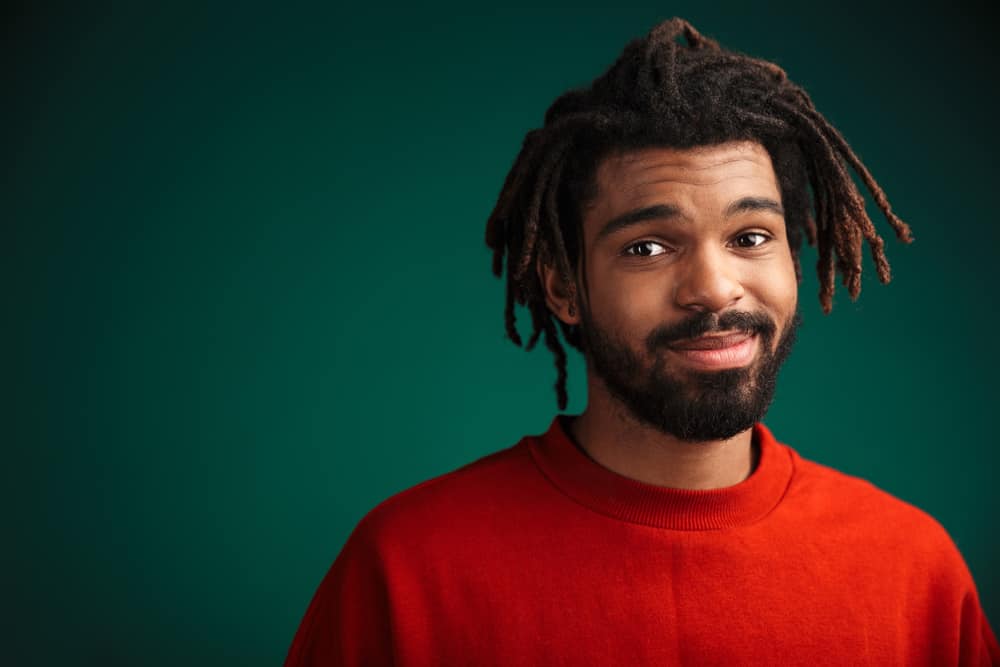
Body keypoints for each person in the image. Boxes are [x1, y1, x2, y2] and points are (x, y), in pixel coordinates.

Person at [284, 17, 999, 666]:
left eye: (751, 237)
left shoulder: (913, 570)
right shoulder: (405, 570)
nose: (715, 289)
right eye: (649, 247)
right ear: (563, 283)